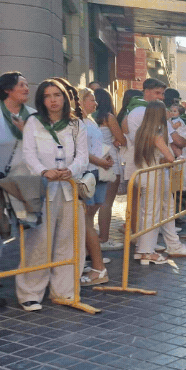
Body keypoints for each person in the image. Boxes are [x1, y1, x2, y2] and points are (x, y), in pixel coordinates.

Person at [14, 79, 88, 312]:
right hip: (41, 189)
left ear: (65, 98)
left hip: (69, 188)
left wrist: (71, 170)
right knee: (39, 241)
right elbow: (28, 154)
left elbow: (82, 156)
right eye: (47, 96)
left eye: (57, 95)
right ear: (41, 100)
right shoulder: (34, 122)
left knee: (69, 240)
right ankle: (30, 292)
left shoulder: (76, 125)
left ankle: (64, 290)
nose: (53, 100)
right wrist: (44, 172)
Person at [132, 102, 186, 264]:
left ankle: (145, 248)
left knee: (148, 212)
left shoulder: (142, 131)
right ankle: (146, 251)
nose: (168, 113)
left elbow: (154, 156)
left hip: (147, 173)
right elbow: (168, 156)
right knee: (152, 213)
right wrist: (176, 159)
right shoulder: (157, 132)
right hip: (154, 176)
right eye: (166, 111)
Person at [77, 88, 112, 286]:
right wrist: (101, 161)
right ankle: (90, 260)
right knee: (86, 220)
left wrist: (102, 161)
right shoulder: (79, 122)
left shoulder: (89, 121)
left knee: (87, 219)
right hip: (90, 172)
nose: (96, 104)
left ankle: (92, 261)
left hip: (95, 173)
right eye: (92, 100)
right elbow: (83, 151)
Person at [93, 88, 127, 251]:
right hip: (110, 160)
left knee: (95, 203)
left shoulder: (89, 119)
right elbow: (121, 139)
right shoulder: (108, 117)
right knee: (107, 203)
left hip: (94, 160)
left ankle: (95, 236)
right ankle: (104, 238)